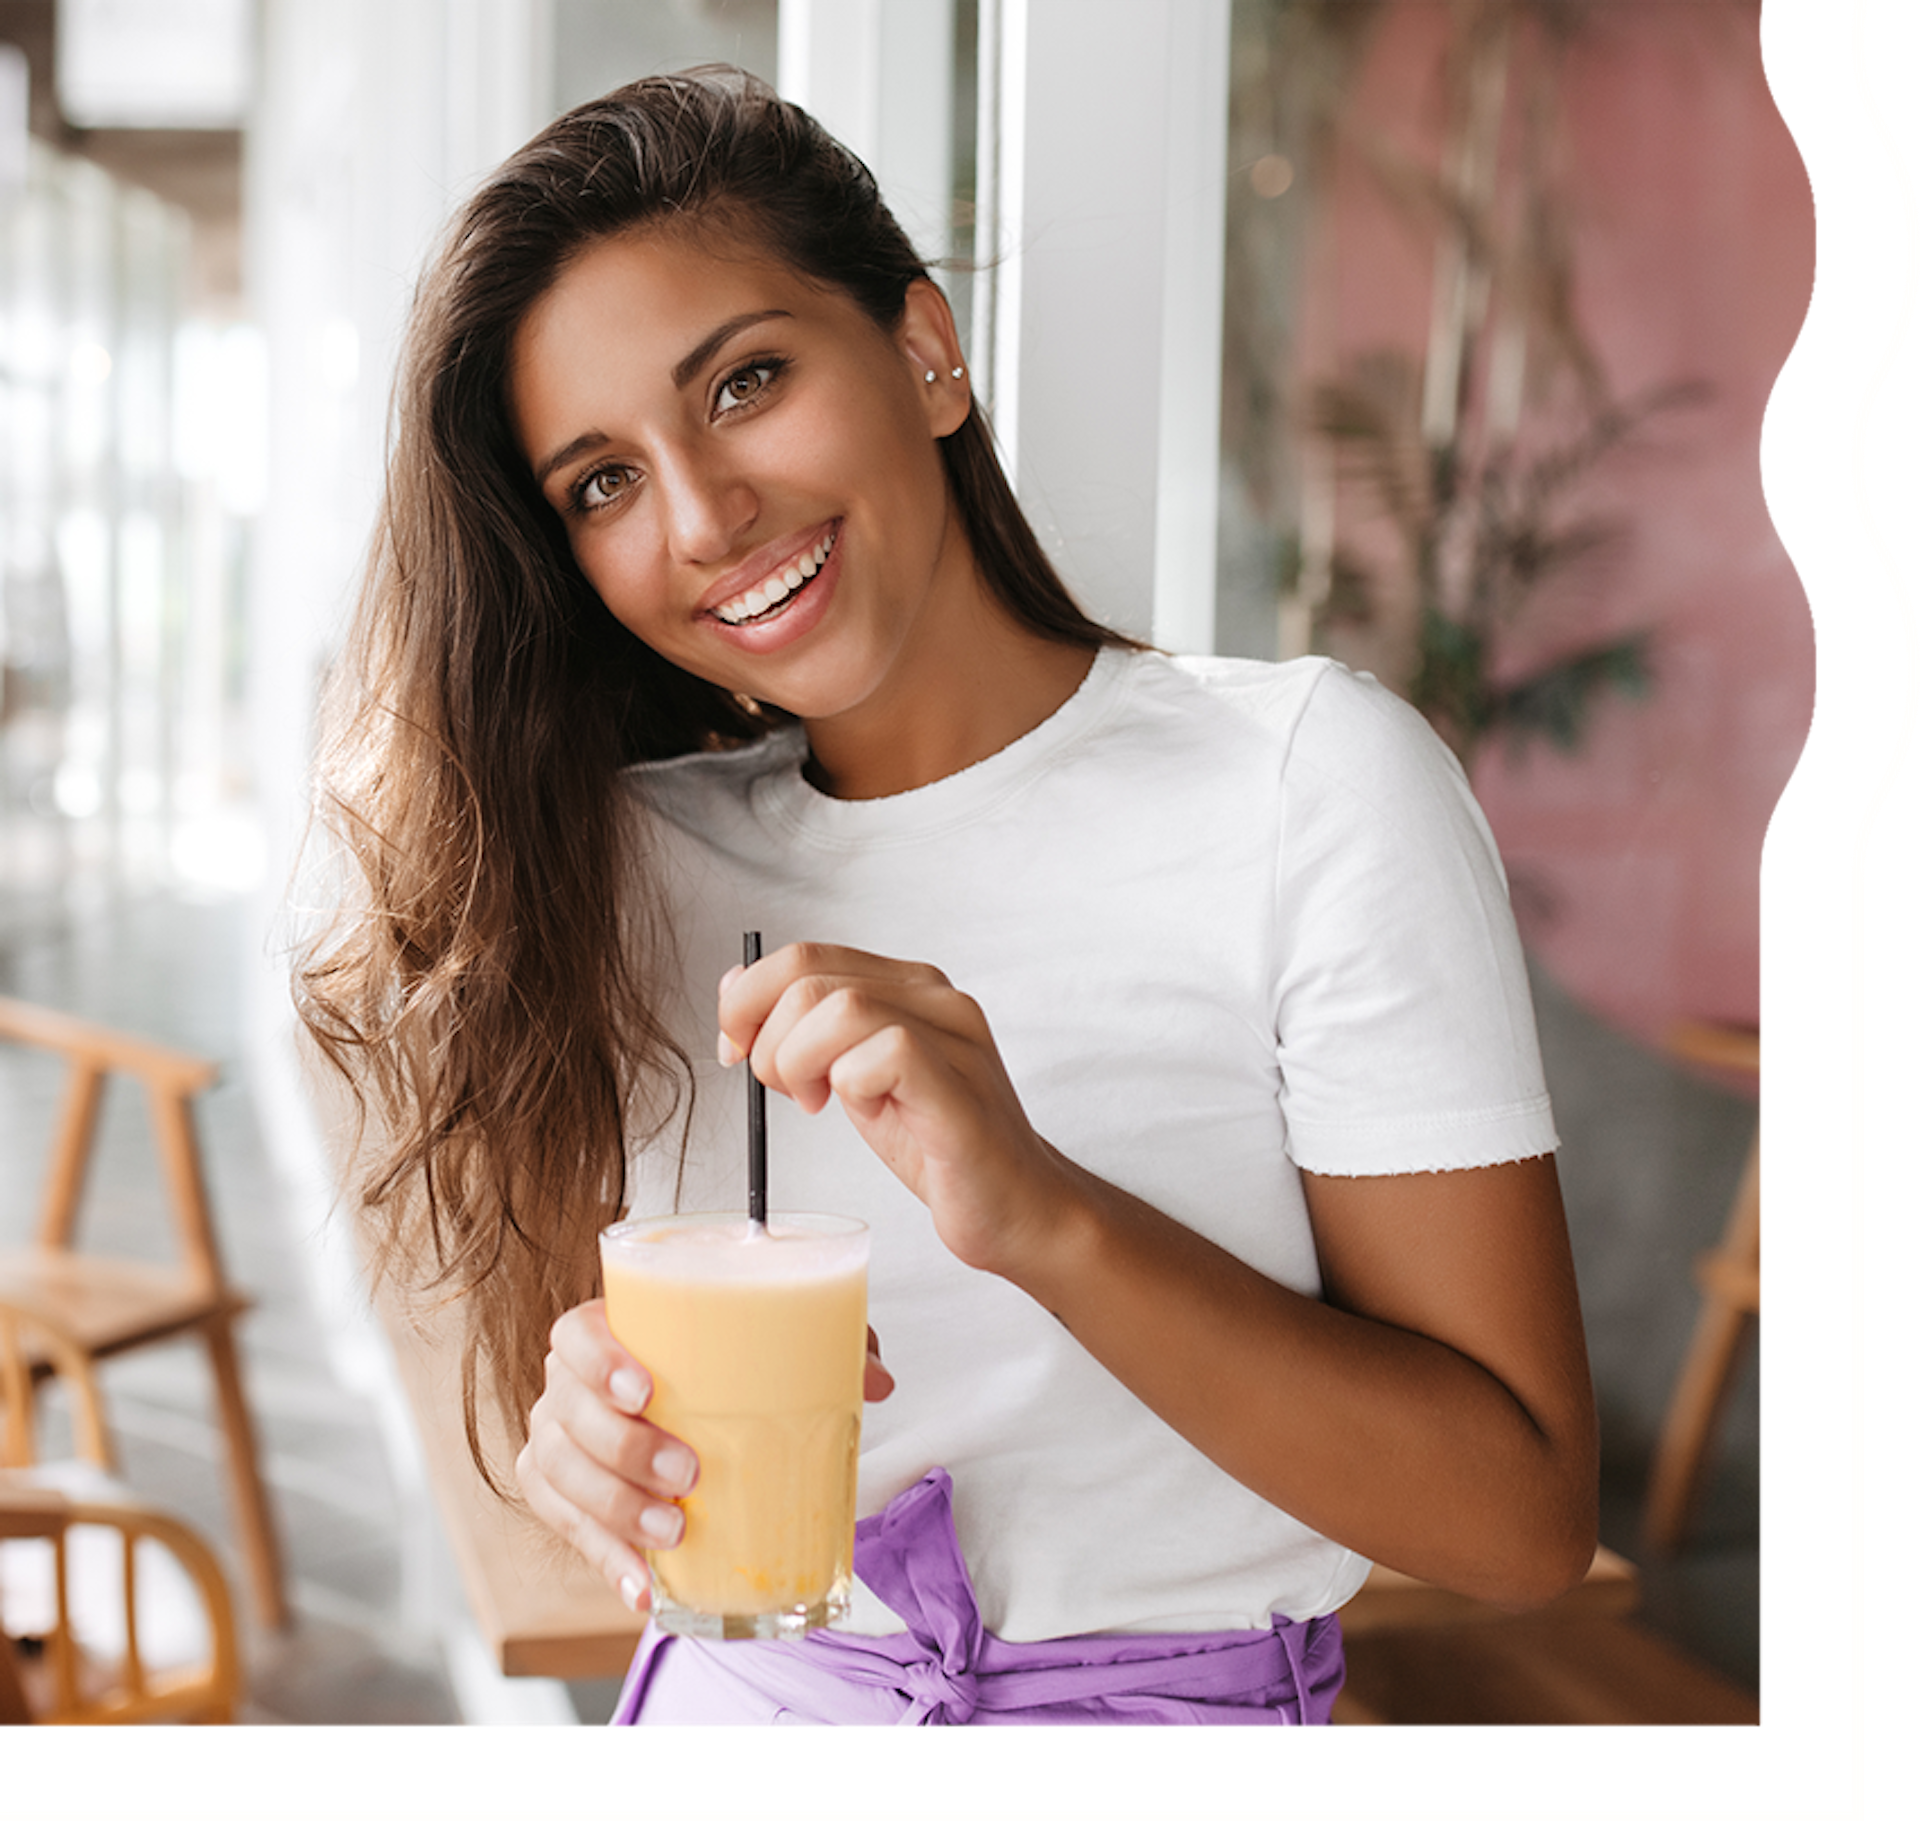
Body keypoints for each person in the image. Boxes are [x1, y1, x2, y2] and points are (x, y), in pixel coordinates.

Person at [295, 65, 1598, 1727]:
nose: (703, 518)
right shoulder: (616, 866)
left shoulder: (1307, 789)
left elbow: (1521, 1522)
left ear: (923, 351)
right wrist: (586, 1429)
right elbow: (611, 1412)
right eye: (601, 483)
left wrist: (1041, 1214)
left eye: (745, 382)